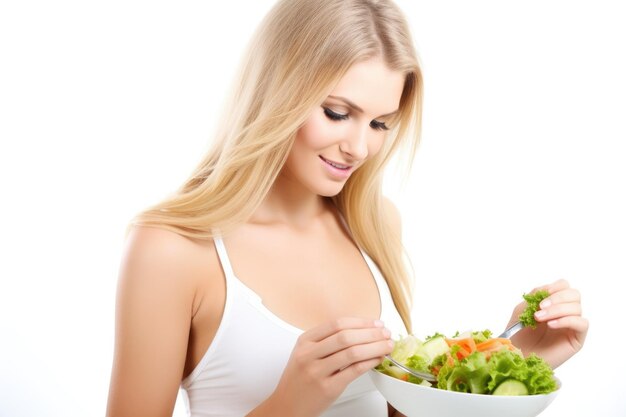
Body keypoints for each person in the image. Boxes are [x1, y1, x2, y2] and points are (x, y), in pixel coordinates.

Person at [105, 0, 589, 416]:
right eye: (338, 113)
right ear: (278, 91)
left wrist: (515, 361)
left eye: (380, 124)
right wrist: (290, 402)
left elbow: (396, 410)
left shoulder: (374, 225)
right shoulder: (172, 249)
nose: (358, 147)